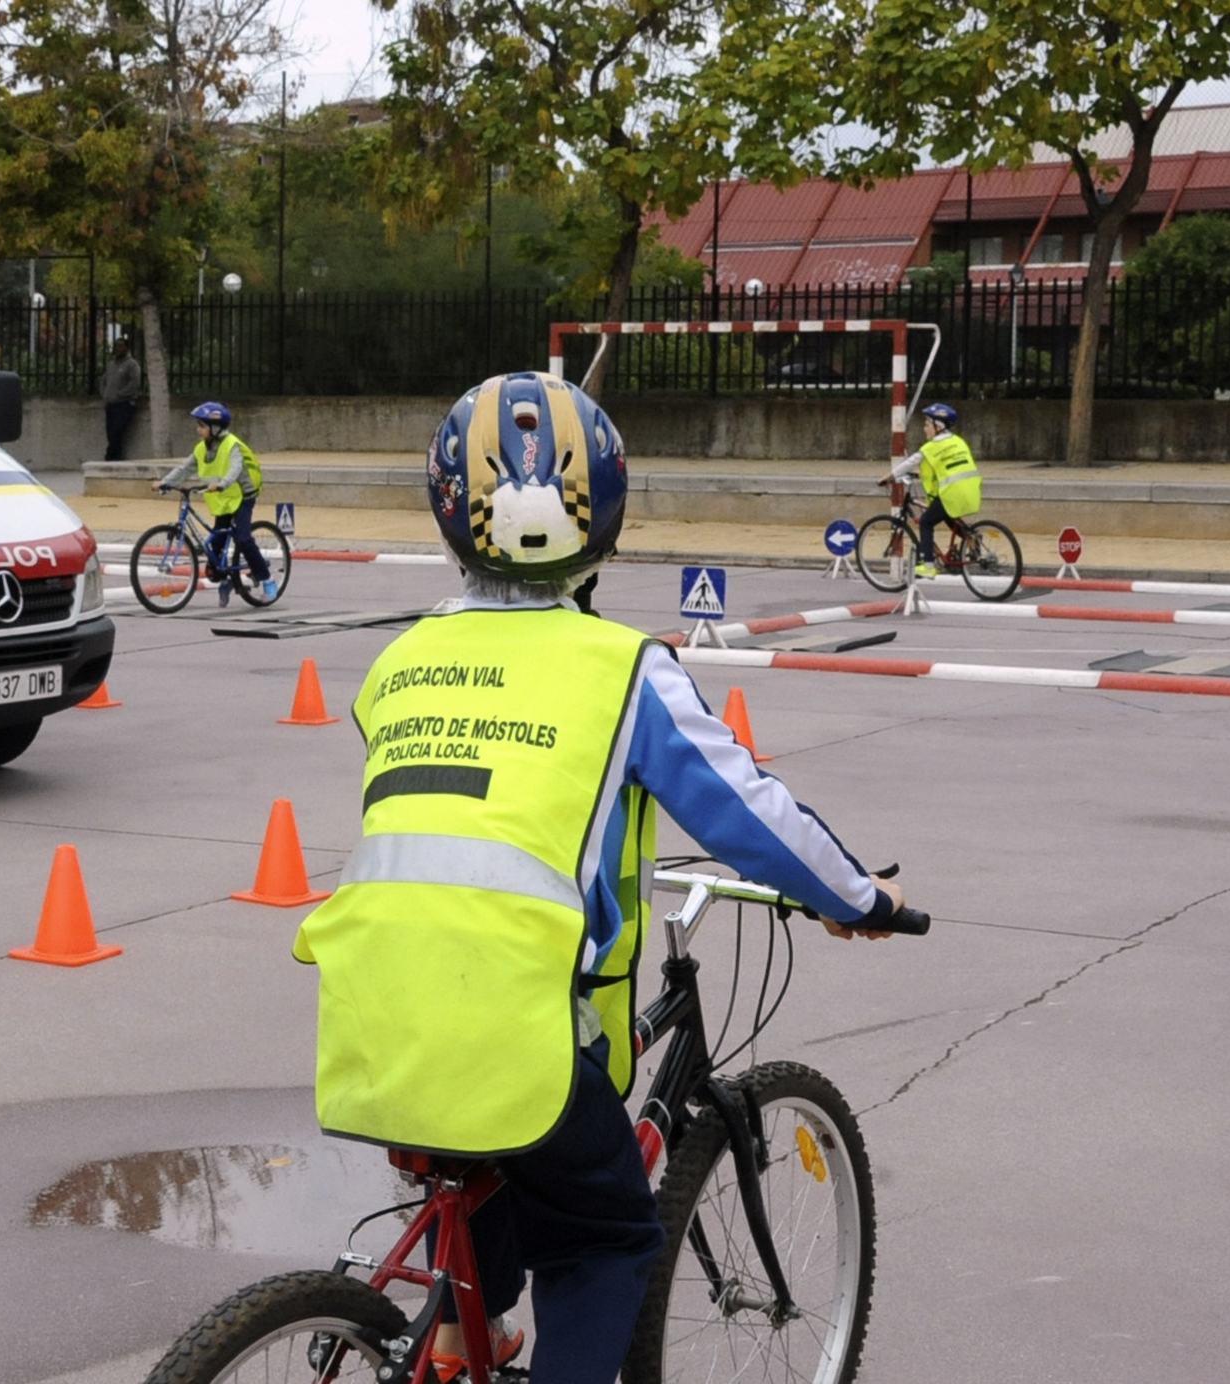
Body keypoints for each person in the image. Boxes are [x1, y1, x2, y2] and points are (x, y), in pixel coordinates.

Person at [292, 371, 903, 1384]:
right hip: (510, 1018)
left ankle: (459, 1334)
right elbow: (745, 812)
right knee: (606, 1235)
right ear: (603, 522)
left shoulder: (399, 662)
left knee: (489, 1163)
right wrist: (857, 897)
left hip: (369, 1014)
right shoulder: (623, 667)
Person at [155, 401, 273, 605]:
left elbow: (235, 469)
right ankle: (227, 579)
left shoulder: (232, 445)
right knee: (215, 550)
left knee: (243, 539)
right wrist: (165, 482)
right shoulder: (201, 449)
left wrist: (222, 484)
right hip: (223, 500)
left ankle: (267, 579)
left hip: (242, 497)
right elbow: (184, 469)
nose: (198, 430)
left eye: (201, 426)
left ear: (216, 427)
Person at [884, 401, 982, 578]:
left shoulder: (932, 446)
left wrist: (889, 476)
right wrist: (921, 474)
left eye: (927, 424)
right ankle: (971, 537)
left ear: (939, 426)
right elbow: (950, 466)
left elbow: (911, 461)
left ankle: (928, 565)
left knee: (926, 522)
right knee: (947, 515)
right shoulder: (957, 441)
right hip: (970, 489)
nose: (924, 428)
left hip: (951, 493)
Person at [98, 337, 140, 461]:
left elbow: (134, 383)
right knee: (110, 432)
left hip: (124, 403)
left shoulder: (132, 364)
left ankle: (110, 456)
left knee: (118, 431)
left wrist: (120, 394)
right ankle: (116, 457)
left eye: (121, 346)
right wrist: (104, 393)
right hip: (111, 403)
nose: (118, 349)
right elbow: (103, 380)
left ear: (127, 348)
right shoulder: (111, 365)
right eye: (116, 346)